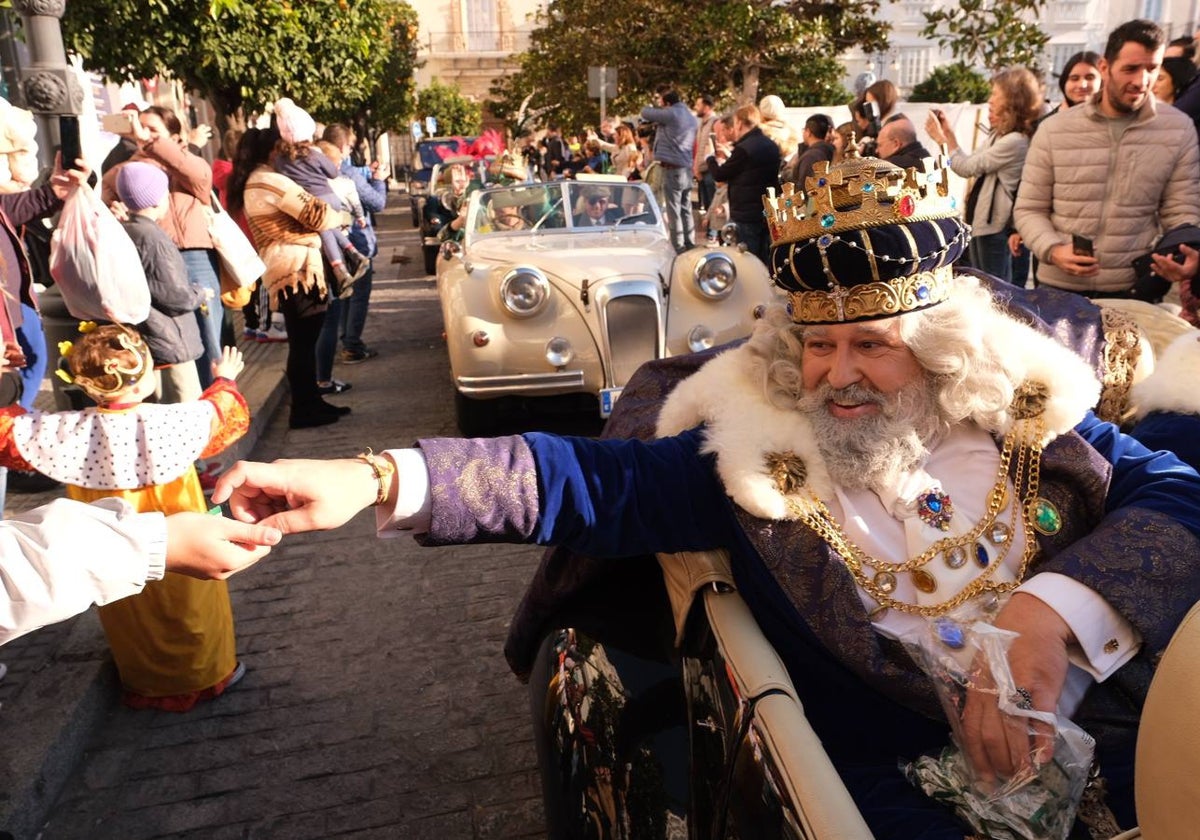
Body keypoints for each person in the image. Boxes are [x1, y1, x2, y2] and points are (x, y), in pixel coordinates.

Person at [214, 147, 1200, 838]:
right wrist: (373, 475)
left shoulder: (1027, 419)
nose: (841, 375)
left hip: (1118, 743)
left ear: (939, 350)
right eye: (820, 346)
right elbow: (576, 478)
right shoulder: (742, 462)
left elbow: (1177, 497)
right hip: (890, 794)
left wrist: (1046, 616)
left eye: (874, 347)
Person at [0, 324, 251, 711]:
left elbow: (8, 434)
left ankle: (148, 680)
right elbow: (224, 414)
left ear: (86, 384)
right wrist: (224, 379)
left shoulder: (68, 430)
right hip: (177, 526)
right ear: (142, 381)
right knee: (193, 598)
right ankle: (208, 673)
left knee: (127, 604)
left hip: (108, 531)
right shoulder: (173, 422)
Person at [1015, 19, 1200, 298]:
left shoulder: (1178, 129)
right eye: (1130, 69)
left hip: (1134, 290)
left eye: (1152, 69)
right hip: (1058, 288)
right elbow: (1029, 208)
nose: (1141, 81)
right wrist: (1052, 249)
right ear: (1105, 67)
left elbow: (1181, 211)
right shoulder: (1055, 129)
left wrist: (1184, 251)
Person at [1, 497, 281, 647]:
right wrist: (157, 543)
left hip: (118, 532)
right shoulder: (172, 420)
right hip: (151, 520)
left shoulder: (63, 428)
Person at [225, 126, 351, 429]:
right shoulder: (270, 180)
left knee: (302, 341)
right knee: (304, 343)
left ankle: (310, 403)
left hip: (284, 267)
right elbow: (318, 214)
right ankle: (304, 409)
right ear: (271, 150)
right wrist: (339, 213)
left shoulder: (253, 180)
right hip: (298, 269)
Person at [101, 105, 225, 390]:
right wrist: (116, 208)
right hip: (154, 261)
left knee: (210, 338)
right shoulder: (126, 168)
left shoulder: (187, 162)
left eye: (153, 129)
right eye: (139, 127)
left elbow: (198, 175)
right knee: (171, 339)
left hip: (194, 256)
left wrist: (150, 142)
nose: (141, 132)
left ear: (173, 134)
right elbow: (107, 200)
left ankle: (217, 403)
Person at [927, 67, 1042, 284]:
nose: (990, 100)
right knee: (985, 286)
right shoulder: (999, 136)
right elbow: (964, 163)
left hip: (997, 228)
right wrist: (948, 134)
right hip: (984, 224)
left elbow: (967, 167)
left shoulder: (1014, 141)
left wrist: (942, 140)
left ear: (1011, 98)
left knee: (998, 291)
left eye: (995, 94)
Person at [115, 162, 209, 403]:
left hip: (148, 338)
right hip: (170, 339)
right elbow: (175, 296)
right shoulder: (154, 238)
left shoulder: (125, 230)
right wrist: (199, 293)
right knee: (183, 411)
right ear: (157, 200)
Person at [270, 99, 369, 293]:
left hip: (312, 202)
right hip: (330, 196)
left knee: (325, 233)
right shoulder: (313, 154)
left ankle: (339, 269)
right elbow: (332, 172)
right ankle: (353, 252)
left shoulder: (281, 160)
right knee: (331, 227)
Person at [320, 123, 387, 368]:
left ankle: (344, 339)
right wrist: (379, 180)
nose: (350, 149)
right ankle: (352, 345)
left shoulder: (317, 174)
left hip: (332, 245)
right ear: (341, 146)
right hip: (356, 244)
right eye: (349, 144)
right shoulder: (349, 176)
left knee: (344, 294)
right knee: (358, 296)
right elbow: (377, 203)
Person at [705, 104, 780, 264]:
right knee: (764, 259)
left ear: (739, 123)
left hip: (746, 213)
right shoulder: (770, 145)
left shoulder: (744, 148)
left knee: (748, 261)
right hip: (766, 211)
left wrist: (710, 157)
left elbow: (720, 174)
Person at [641, 86, 699, 253]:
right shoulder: (690, 116)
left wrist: (656, 108)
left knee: (673, 210)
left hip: (673, 169)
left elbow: (645, 112)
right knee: (686, 208)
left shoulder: (671, 113)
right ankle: (690, 243)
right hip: (686, 168)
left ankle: (678, 246)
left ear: (667, 103)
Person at [788, 113, 836, 186]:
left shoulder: (810, 157)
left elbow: (806, 187)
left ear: (808, 132)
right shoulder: (833, 150)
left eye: (804, 130)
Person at [692, 95, 718, 213]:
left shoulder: (715, 123)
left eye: (698, 105)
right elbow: (699, 148)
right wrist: (696, 167)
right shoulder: (702, 124)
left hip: (710, 170)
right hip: (702, 170)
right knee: (707, 207)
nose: (696, 107)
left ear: (706, 107)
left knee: (713, 207)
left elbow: (715, 148)